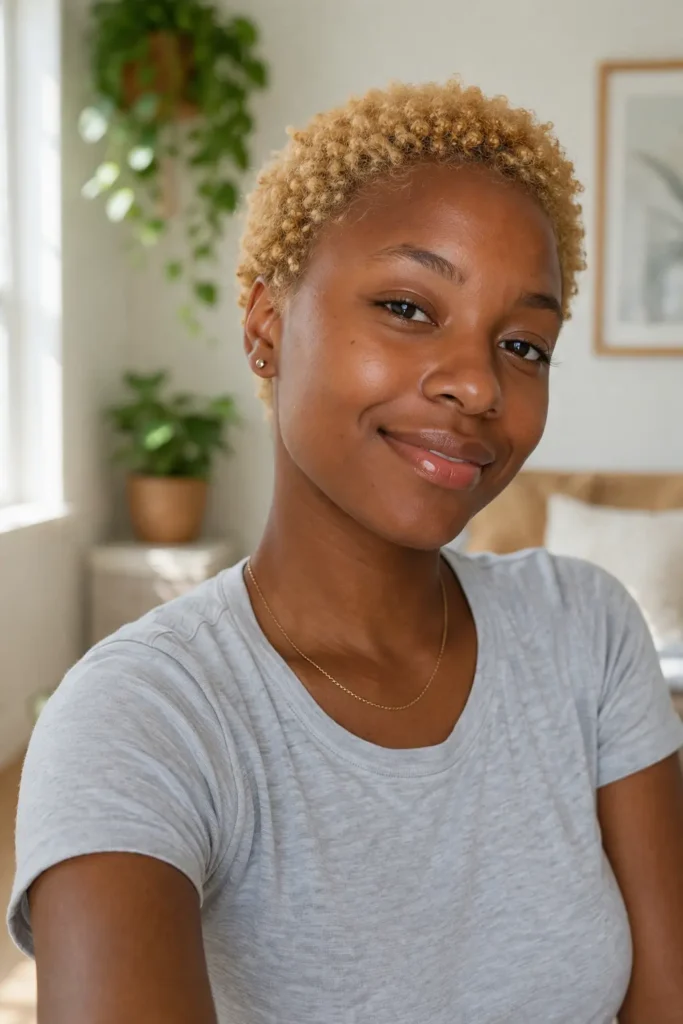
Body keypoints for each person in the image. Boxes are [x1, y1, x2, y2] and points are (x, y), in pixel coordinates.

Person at [7, 80, 683, 1024]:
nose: (476, 385)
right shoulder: (142, 718)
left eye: (523, 344)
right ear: (266, 329)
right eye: (409, 307)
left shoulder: (588, 633)